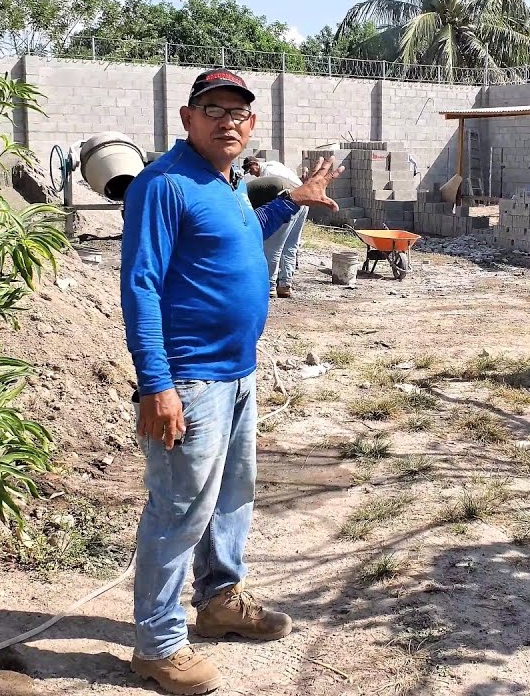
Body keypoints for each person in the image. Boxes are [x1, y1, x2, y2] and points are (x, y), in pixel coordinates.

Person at [119, 68, 343, 695]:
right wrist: (157, 385)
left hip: (237, 373)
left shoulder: (229, 181)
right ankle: (157, 645)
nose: (227, 122)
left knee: (231, 498)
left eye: (238, 113)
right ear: (188, 118)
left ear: (252, 124)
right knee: (178, 511)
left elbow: (238, 235)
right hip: (189, 379)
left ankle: (219, 601)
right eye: (213, 110)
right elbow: (140, 287)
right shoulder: (163, 184)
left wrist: (291, 202)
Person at [242, 156, 308, 298]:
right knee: (290, 245)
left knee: (272, 247)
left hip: (288, 201)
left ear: (255, 164)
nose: (252, 174)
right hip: (303, 200)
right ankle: (285, 285)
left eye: (251, 170)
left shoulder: (266, 175)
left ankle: (269, 286)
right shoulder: (273, 165)